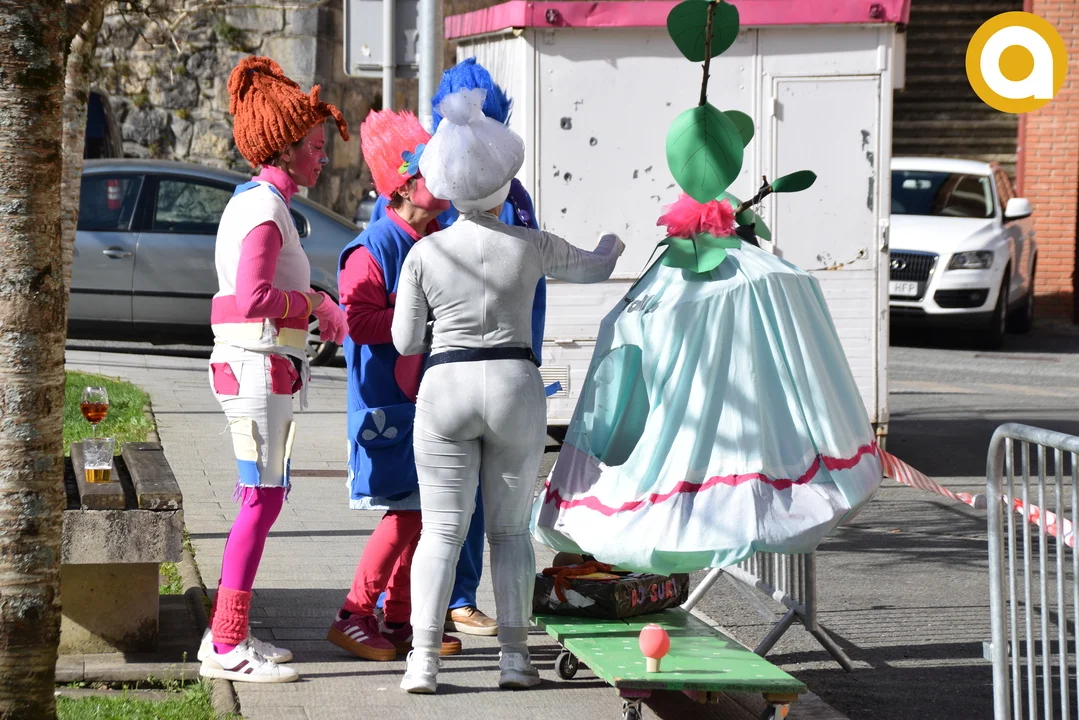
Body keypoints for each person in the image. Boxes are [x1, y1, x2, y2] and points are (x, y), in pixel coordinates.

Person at [392, 87, 625, 693]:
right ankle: (516, 659)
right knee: (511, 533)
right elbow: (597, 266)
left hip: (446, 386)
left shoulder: (424, 253)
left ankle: (423, 660)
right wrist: (613, 241)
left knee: (441, 531)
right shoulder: (529, 245)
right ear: (502, 184)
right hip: (516, 386)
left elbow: (406, 341)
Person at [366, 57, 544, 638]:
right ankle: (455, 603)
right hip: (455, 372)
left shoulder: (512, 196)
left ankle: (432, 626)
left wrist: (531, 351)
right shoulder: (444, 196)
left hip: (485, 370)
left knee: (472, 511)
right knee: (454, 513)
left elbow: (532, 288)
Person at [199, 55, 349, 684]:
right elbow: (254, 297)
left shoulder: (260, 202)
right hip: (255, 365)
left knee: (265, 497)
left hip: (261, 366)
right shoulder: (264, 209)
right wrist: (314, 303)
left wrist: (316, 301)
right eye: (313, 146)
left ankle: (225, 634)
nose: (323, 157)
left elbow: (262, 289)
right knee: (260, 501)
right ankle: (227, 643)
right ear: (285, 148)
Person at [326, 108, 462, 661]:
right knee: (407, 511)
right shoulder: (374, 246)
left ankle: (400, 619)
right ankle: (354, 613)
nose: (445, 179)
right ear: (404, 186)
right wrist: (426, 323)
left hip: (422, 402)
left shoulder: (433, 237)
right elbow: (358, 323)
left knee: (423, 512)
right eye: (432, 171)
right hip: (389, 405)